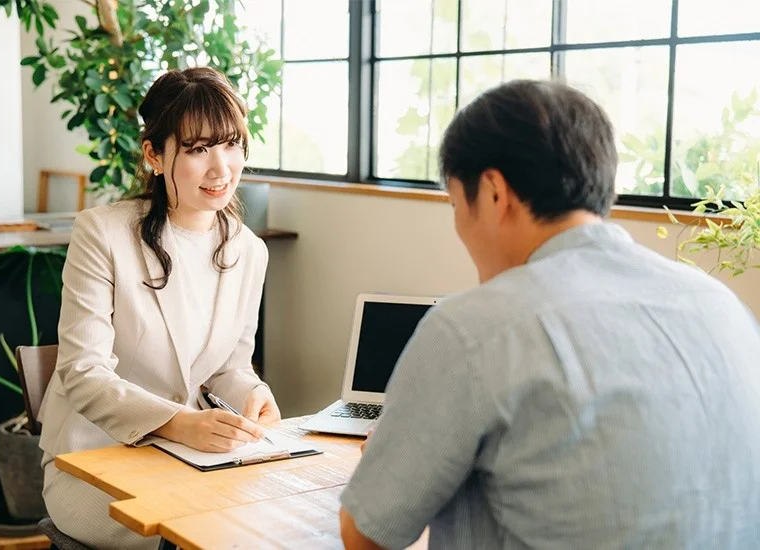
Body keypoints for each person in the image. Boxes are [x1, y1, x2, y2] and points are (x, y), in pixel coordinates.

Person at [339, 80, 760, 549]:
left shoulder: (474, 329)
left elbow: (367, 537)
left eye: (457, 204)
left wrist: (390, 459)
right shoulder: (722, 305)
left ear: (495, 193)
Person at [38, 67, 281, 549]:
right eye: (196, 150)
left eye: (231, 144)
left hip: (187, 459)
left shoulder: (250, 250)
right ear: (154, 154)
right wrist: (179, 422)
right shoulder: (101, 234)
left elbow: (230, 366)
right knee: (205, 533)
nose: (221, 169)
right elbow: (83, 373)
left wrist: (254, 394)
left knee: (268, 522)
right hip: (93, 461)